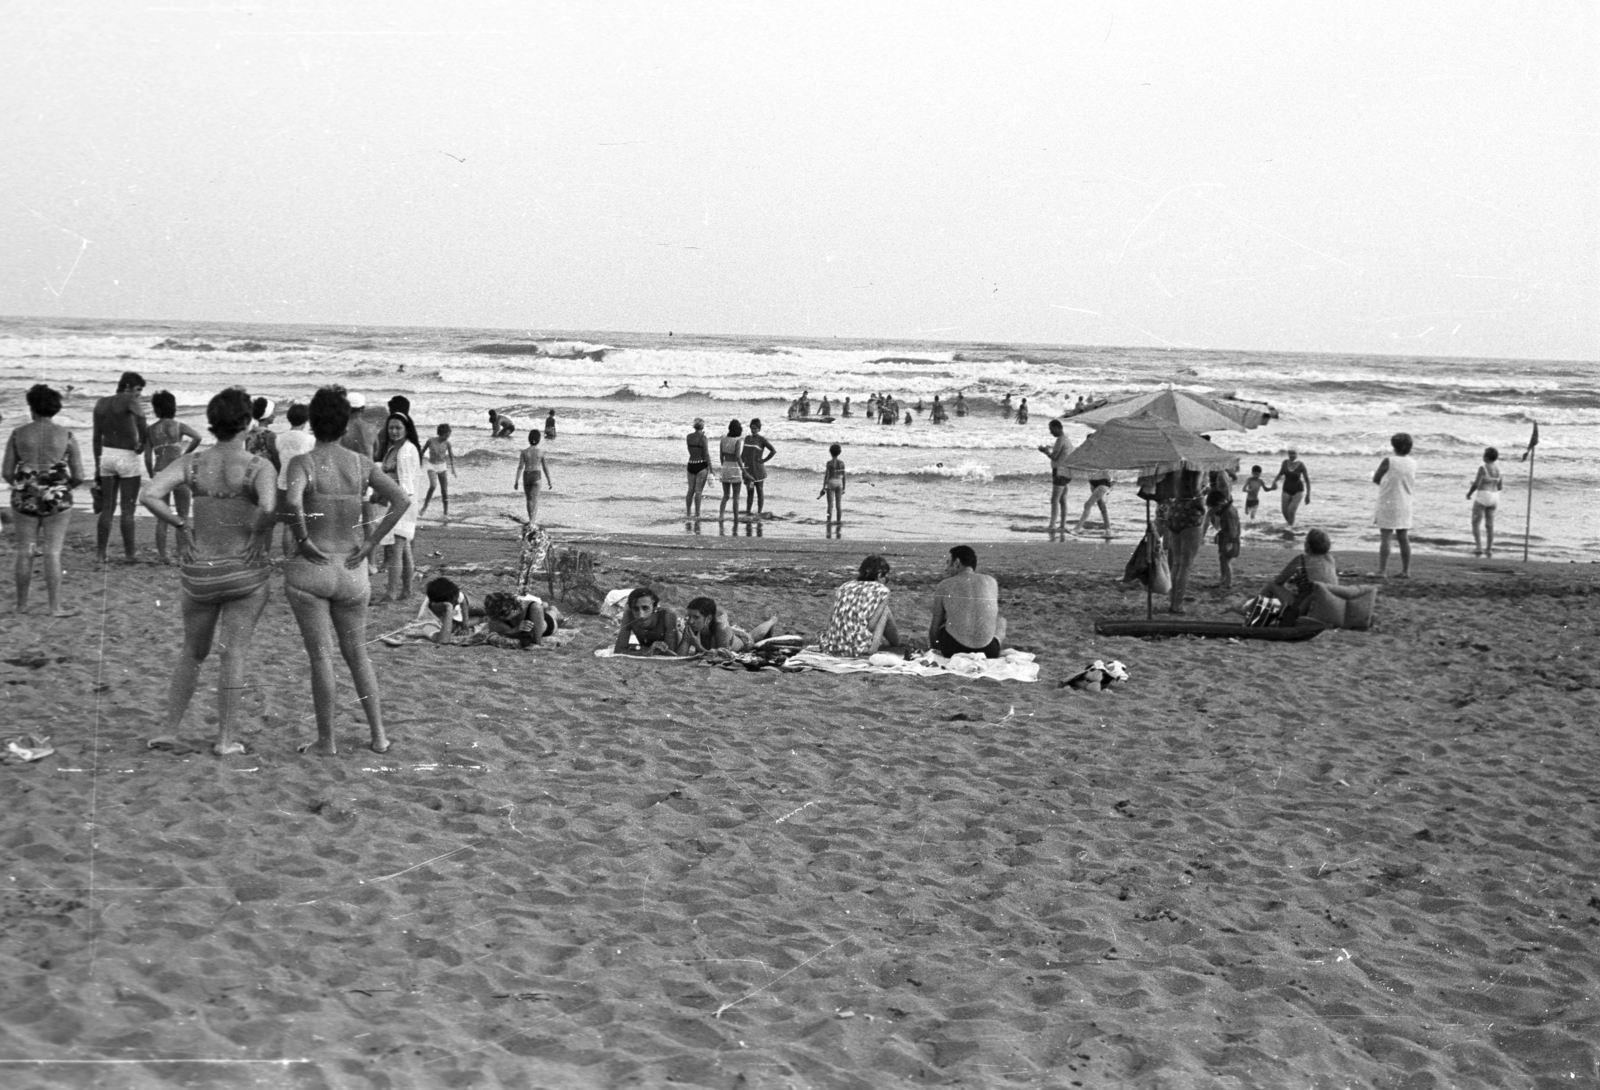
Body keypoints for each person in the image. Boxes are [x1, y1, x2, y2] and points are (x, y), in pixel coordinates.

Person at [142, 387, 278, 756]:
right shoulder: (258, 466)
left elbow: (149, 494)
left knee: (192, 651)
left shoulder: (194, 463)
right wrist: (256, 530)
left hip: (199, 571)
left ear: (213, 424)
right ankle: (225, 739)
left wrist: (180, 525)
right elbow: (269, 506)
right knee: (233, 653)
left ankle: (170, 730)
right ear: (248, 422)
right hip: (244, 572)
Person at [282, 386, 410, 755]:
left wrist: (302, 539)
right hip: (353, 571)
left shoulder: (302, 463)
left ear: (312, 422)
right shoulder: (360, 464)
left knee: (321, 657)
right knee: (357, 654)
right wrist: (370, 544)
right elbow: (401, 499)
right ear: (343, 424)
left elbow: (291, 501)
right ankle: (379, 735)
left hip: (314, 568)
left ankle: (327, 741)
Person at [5, 384, 85, 616]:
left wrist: (24, 484)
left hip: (25, 495)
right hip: (57, 497)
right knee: (52, 553)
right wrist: (63, 488)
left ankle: (21, 605)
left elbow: (7, 472)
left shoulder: (18, 434)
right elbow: (79, 475)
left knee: (25, 551)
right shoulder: (67, 435)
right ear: (54, 409)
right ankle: (54, 607)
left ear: (31, 407)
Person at [92, 370, 150, 563]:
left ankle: (101, 554)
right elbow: (142, 420)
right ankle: (130, 554)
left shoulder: (101, 403)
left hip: (107, 456)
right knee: (127, 509)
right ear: (127, 387)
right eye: (138, 390)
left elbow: (95, 438)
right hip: (127, 456)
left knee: (107, 508)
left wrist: (97, 464)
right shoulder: (129, 400)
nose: (139, 395)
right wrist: (142, 443)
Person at [145, 390, 203, 564]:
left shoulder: (151, 430)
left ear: (156, 409)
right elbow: (197, 437)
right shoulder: (178, 426)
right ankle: (181, 553)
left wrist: (151, 474)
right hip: (178, 472)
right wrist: (186, 455)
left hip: (160, 473)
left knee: (162, 517)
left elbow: (147, 457)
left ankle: (163, 555)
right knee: (182, 516)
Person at [927, 545, 1007, 657]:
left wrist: (934, 647)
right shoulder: (991, 581)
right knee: (1001, 621)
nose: (946, 568)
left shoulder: (944, 585)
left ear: (957, 562)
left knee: (945, 621)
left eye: (948, 562)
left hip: (953, 649)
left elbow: (936, 622)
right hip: (988, 651)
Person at [378, 412, 423, 602]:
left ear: (406, 429)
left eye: (398, 428)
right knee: (403, 550)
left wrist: (388, 497)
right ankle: (407, 591)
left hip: (403, 502)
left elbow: (405, 484)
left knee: (396, 549)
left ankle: (391, 593)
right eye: (391, 428)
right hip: (397, 501)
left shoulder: (406, 450)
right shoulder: (393, 449)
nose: (394, 431)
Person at [818, 554, 899, 656]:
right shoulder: (882, 591)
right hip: (858, 649)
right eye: (885, 577)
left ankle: (895, 642)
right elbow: (871, 625)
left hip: (831, 646)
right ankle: (896, 643)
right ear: (879, 575)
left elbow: (829, 620)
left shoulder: (844, 586)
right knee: (885, 611)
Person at [1158, 469, 1207, 613]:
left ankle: (1172, 601)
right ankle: (1177, 604)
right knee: (1186, 564)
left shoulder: (1179, 466)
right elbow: (1195, 488)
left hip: (1176, 508)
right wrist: (1202, 505)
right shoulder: (1197, 466)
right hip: (1190, 511)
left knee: (1177, 562)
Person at [1263, 528, 1339, 621]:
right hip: (1330, 608)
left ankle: (1252, 608)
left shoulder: (1301, 559)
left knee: (1272, 585)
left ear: (1309, 545)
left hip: (1307, 610)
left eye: (1306, 540)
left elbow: (1279, 581)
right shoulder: (1330, 558)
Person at [274, 401, 316, 555]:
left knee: (288, 524)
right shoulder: (309, 439)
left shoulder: (279, 438)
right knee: (303, 522)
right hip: (303, 483)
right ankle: (300, 553)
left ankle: (287, 556)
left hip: (283, 482)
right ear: (306, 420)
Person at [1373, 432, 1416, 578]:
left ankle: (1382, 570)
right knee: (1403, 537)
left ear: (1393, 446)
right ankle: (1405, 570)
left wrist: (1382, 481)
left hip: (1389, 501)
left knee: (1386, 537)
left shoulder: (1388, 461)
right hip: (1405, 502)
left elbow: (1376, 478)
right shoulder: (1413, 463)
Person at [681, 596, 779, 655]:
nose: (691, 621)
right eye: (688, 616)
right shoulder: (693, 625)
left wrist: (696, 645)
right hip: (730, 635)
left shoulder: (721, 629)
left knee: (754, 637)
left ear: (708, 618)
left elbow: (723, 657)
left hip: (744, 642)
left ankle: (772, 621)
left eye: (696, 617)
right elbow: (681, 655)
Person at [612, 586, 684, 655]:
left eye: (645, 608)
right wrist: (647, 652)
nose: (641, 615)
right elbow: (618, 650)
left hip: (677, 648)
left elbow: (670, 653)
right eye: (636, 609)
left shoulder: (667, 615)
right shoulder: (629, 614)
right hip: (649, 648)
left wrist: (646, 651)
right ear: (631, 609)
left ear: (654, 608)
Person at [483, 589, 560, 647]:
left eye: (501, 617)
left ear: (512, 610)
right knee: (544, 607)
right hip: (532, 613)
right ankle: (547, 607)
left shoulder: (533, 607)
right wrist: (516, 629)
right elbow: (493, 633)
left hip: (548, 625)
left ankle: (553, 610)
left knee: (552, 614)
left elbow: (536, 641)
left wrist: (511, 632)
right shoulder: (499, 613)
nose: (498, 619)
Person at [1038, 419, 1073, 534]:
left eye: (1052, 429)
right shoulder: (1066, 439)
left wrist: (1045, 451)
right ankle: (1062, 525)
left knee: (1054, 500)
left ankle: (1052, 525)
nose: (1051, 432)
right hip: (1066, 471)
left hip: (1060, 472)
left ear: (1058, 428)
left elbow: (1054, 456)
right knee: (1062, 500)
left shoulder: (1060, 439)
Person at [1467, 446, 1502, 557]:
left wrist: (1469, 493)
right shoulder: (1499, 469)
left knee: (1476, 523)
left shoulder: (1483, 468)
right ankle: (1489, 549)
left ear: (1486, 457)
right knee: (1490, 524)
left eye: (1484, 454)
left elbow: (1477, 484)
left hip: (1483, 495)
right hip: (1494, 496)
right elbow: (1500, 486)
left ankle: (1478, 547)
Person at [514, 429, 553, 525]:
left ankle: (531, 520)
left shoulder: (524, 452)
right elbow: (545, 467)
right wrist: (549, 480)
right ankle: (532, 521)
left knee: (529, 499)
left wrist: (516, 481)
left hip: (526, 475)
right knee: (535, 499)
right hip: (536, 475)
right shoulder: (541, 452)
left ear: (529, 439)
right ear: (539, 440)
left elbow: (520, 467)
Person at [421, 576, 475, 644]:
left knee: (485, 609)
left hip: (456, 611)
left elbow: (462, 599)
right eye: (454, 603)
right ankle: (481, 619)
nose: (457, 603)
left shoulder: (452, 596)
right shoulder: (426, 622)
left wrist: (465, 626)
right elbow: (443, 640)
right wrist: (448, 608)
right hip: (449, 615)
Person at [419, 423, 456, 520]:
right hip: (432, 466)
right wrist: (419, 462)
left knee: (444, 491)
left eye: (448, 435)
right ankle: (425, 506)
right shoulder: (430, 441)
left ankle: (445, 513)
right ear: (440, 433)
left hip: (442, 467)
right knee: (433, 485)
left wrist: (453, 468)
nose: (447, 437)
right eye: (445, 435)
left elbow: (451, 456)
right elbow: (422, 452)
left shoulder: (447, 443)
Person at [742, 418, 776, 518]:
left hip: (758, 471)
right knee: (750, 492)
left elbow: (773, 451)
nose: (753, 430)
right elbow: (743, 453)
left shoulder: (762, 439)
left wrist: (764, 460)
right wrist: (741, 464)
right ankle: (748, 513)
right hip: (749, 471)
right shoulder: (747, 438)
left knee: (760, 491)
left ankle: (759, 512)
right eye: (752, 428)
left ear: (759, 429)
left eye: (756, 428)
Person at [1208, 487, 1241, 589]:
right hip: (1227, 538)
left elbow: (1232, 529)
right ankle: (1223, 579)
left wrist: (1229, 543)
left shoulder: (1228, 513)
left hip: (1230, 540)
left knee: (1225, 560)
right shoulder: (1230, 508)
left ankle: (1228, 582)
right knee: (1222, 558)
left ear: (1220, 503)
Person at [1271, 449, 1311, 529]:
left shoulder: (1301, 465)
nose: (1292, 455)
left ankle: (1290, 529)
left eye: (1294, 453)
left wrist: (1308, 494)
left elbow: (1307, 480)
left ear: (1297, 454)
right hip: (1286, 489)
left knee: (1291, 511)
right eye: (1290, 453)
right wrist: (1274, 482)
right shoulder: (1285, 463)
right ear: (1288, 454)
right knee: (1285, 511)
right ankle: (1291, 525)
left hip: (1298, 490)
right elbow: (1280, 474)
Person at [718, 419, 744, 522]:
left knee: (726, 495)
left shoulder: (723, 439)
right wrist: (744, 471)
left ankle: (721, 516)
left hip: (725, 466)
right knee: (736, 497)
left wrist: (723, 466)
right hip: (734, 467)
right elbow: (738, 457)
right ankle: (736, 518)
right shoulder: (737, 441)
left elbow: (721, 456)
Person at [245, 397, 280, 472]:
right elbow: (276, 460)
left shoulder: (249, 433)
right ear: (267, 415)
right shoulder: (270, 435)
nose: (275, 415)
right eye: (272, 412)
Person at [685, 417, 711, 518]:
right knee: (698, 491)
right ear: (703, 426)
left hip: (691, 464)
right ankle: (697, 514)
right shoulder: (703, 438)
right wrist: (711, 469)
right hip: (701, 465)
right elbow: (706, 455)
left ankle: (688, 513)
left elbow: (691, 450)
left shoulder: (688, 437)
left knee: (690, 490)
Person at [820, 442, 846, 524]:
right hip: (839, 482)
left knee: (830, 506)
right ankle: (838, 521)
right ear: (839, 452)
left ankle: (829, 521)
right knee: (838, 505)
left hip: (831, 482)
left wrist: (824, 487)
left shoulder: (829, 463)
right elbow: (844, 476)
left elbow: (827, 475)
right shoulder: (842, 463)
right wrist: (844, 487)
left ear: (830, 452)